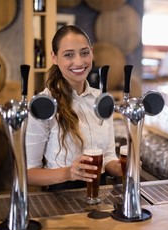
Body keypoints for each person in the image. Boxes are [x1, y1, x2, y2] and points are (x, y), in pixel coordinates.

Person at [25, 25, 122, 190]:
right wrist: (68, 173)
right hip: (61, 199)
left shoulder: (102, 99)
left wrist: (120, 167)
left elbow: (108, 157)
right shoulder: (43, 104)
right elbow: (28, 173)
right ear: (54, 58)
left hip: (100, 193)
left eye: (84, 53)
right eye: (69, 55)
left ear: (91, 52)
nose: (79, 61)